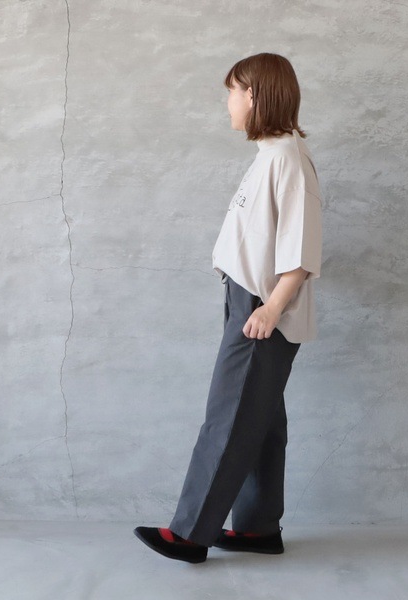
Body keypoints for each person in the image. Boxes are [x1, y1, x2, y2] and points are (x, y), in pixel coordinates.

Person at [134, 52, 323, 563]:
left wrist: (271, 309)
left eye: (232, 91)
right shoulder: (270, 155)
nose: (228, 102)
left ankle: (190, 533)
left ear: (255, 95)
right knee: (259, 419)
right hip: (248, 300)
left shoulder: (287, 159)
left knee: (228, 417)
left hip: (262, 308)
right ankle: (258, 529)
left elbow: (301, 250)